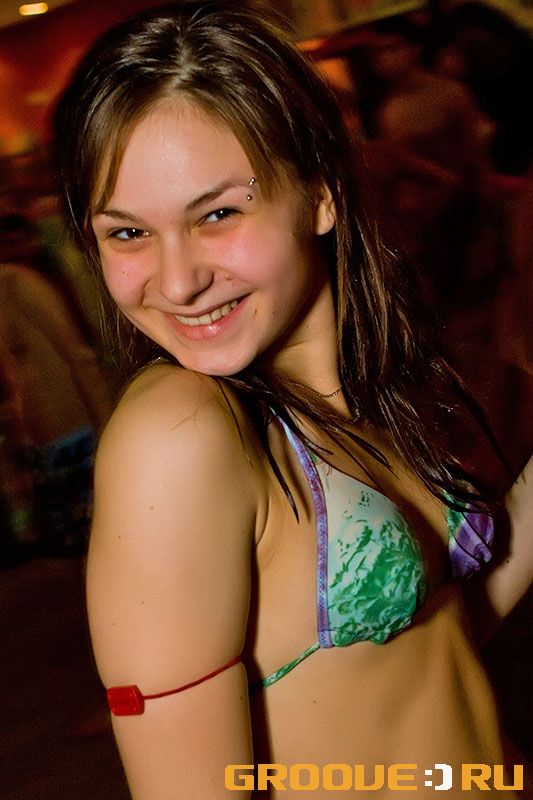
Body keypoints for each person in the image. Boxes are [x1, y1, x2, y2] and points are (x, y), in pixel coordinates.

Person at [53, 2, 532, 797]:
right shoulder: (178, 431)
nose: (177, 281)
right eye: (128, 233)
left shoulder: (356, 397)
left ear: (319, 194)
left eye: (217, 214)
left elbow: (425, 639)